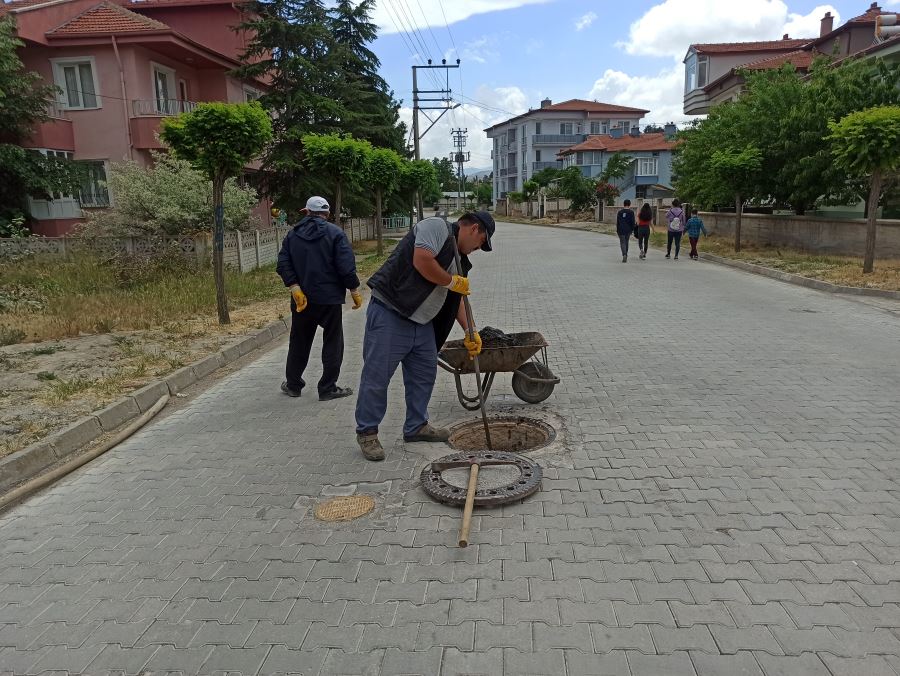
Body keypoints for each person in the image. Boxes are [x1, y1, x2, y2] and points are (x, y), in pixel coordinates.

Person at [355, 211, 495, 461]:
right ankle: (367, 433)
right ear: (474, 229)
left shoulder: (460, 259)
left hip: (422, 323)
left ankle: (416, 426)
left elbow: (456, 299)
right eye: (481, 242)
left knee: (424, 375)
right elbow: (422, 260)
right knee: (376, 376)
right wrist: (452, 281)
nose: (477, 249)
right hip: (391, 312)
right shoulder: (436, 227)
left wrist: (470, 330)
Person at [276, 196, 363, 400]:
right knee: (333, 341)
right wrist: (354, 289)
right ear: (328, 213)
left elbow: (283, 263)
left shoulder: (292, 235)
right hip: (329, 299)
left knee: (299, 341)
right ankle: (327, 388)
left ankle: (294, 385)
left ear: (306, 211)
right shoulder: (336, 234)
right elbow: (345, 266)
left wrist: (294, 286)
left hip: (302, 300)